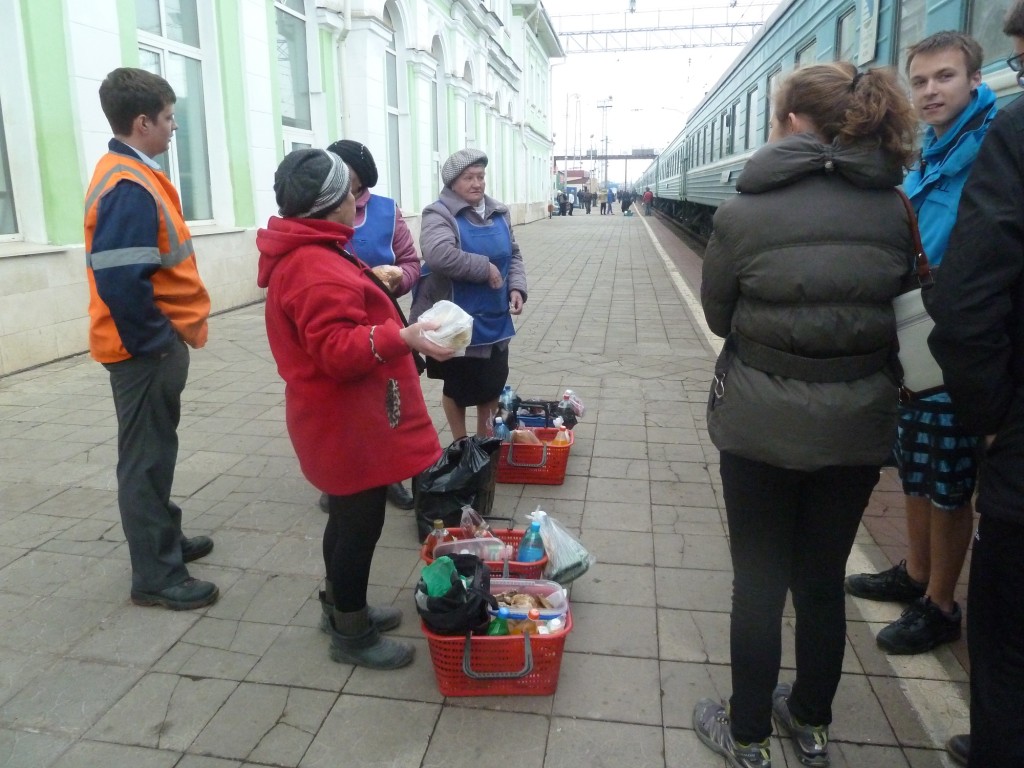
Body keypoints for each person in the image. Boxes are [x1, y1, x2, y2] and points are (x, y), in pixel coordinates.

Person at [693, 62, 917, 768]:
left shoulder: (742, 210)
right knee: (820, 581)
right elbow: (905, 314)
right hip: (856, 424)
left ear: (793, 120)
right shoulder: (894, 206)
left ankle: (750, 734)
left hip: (759, 422)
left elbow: (719, 314)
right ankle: (813, 723)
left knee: (757, 582)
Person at [256, 149, 454, 669]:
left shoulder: (315, 250)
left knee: (347, 521)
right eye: (349, 192)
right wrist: (401, 335)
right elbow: (336, 351)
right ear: (328, 204)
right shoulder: (313, 266)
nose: (357, 199)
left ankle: (343, 607)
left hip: (343, 418)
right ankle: (351, 633)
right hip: (345, 423)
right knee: (358, 527)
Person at [844, 31, 997, 656]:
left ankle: (939, 603)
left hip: (958, 340)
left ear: (973, 79)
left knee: (948, 479)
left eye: (946, 77)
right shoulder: (934, 150)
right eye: (922, 80)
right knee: (914, 465)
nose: (931, 90)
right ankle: (912, 572)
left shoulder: (992, 148)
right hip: (917, 333)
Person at [929, 4, 1024, 764]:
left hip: (1005, 407)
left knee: (1008, 628)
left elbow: (965, 300)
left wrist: (991, 411)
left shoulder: (1010, 134)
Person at [85, 68, 217, 611]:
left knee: (156, 452)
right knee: (144, 460)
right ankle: (157, 576)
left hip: (151, 345)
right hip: (142, 352)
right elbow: (122, 281)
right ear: (142, 122)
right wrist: (157, 343)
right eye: (167, 118)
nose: (173, 127)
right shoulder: (127, 185)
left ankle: (166, 540)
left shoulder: (132, 174)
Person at [322, 138, 421, 511]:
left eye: (340, 168)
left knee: (386, 398)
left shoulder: (385, 210)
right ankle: (334, 478)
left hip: (383, 321)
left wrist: (400, 276)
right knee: (339, 399)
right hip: (337, 320)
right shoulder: (319, 210)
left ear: (360, 176)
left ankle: (388, 475)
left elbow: (413, 261)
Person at [412, 149, 527, 441]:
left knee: (491, 385)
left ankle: (483, 443)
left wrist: (516, 287)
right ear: (452, 183)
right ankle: (461, 445)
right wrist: (484, 268)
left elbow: (513, 254)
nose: (477, 183)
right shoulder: (438, 213)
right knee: (458, 388)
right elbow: (437, 254)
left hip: (494, 317)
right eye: (468, 178)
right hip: (456, 322)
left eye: (480, 177)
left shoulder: (499, 212)